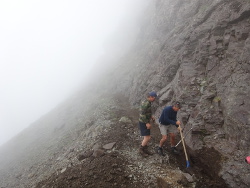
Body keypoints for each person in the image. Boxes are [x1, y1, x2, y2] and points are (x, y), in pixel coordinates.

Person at [138, 91, 157, 157]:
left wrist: (151, 116)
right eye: (154, 98)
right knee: (147, 137)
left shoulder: (148, 102)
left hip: (145, 121)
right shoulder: (146, 103)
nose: (154, 99)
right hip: (143, 122)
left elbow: (146, 112)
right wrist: (147, 123)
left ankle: (145, 149)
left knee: (147, 137)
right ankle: (141, 150)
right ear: (151, 97)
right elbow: (142, 114)